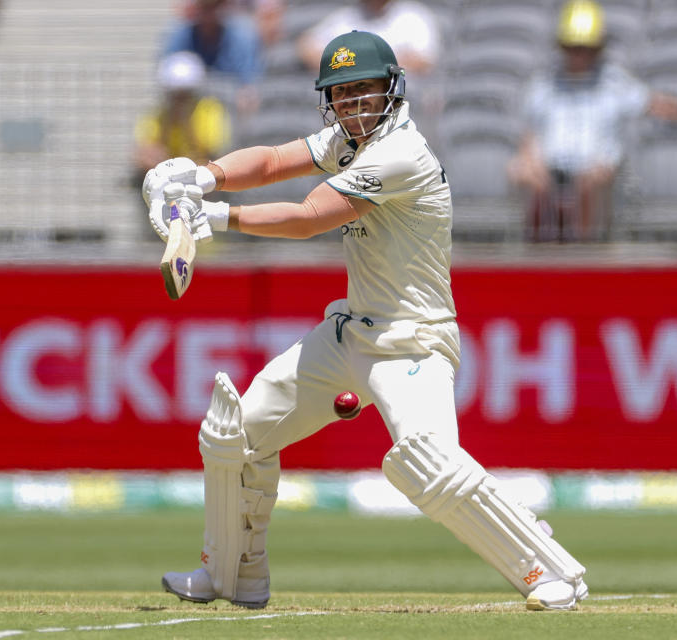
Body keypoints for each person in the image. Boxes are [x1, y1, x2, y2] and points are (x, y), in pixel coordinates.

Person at [143, 30, 589, 612]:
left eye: (365, 91)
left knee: (423, 463)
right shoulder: (347, 138)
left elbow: (308, 217)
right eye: (342, 93)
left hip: (413, 343)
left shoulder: (399, 153)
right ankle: (233, 578)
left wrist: (216, 218)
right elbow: (276, 160)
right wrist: (202, 177)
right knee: (236, 432)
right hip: (351, 331)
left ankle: (549, 571)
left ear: (392, 90)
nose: (354, 104)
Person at [507, 0, 677, 242]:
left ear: (598, 48)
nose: (578, 55)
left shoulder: (614, 84)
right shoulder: (543, 86)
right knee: (520, 171)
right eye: (572, 47)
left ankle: (583, 252)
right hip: (551, 172)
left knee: (591, 180)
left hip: (596, 174)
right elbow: (529, 135)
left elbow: (655, 104)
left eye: (585, 48)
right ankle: (536, 252)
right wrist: (530, 161)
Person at [133, 51, 231, 183]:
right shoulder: (159, 114)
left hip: (201, 184)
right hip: (168, 184)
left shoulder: (209, 110)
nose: (179, 101)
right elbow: (145, 153)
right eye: (174, 95)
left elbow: (211, 155)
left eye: (184, 95)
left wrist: (187, 123)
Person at [162, 0, 265, 113]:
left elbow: (248, 90)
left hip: (228, 115)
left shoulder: (240, 38)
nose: (209, 14)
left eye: (215, 6)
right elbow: (168, 84)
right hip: (190, 116)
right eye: (204, 7)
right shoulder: (181, 36)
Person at [296, 1, 441, 79]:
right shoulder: (345, 17)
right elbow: (306, 48)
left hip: (399, 96)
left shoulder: (414, 16)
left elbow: (423, 63)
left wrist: (355, 63)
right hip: (352, 96)